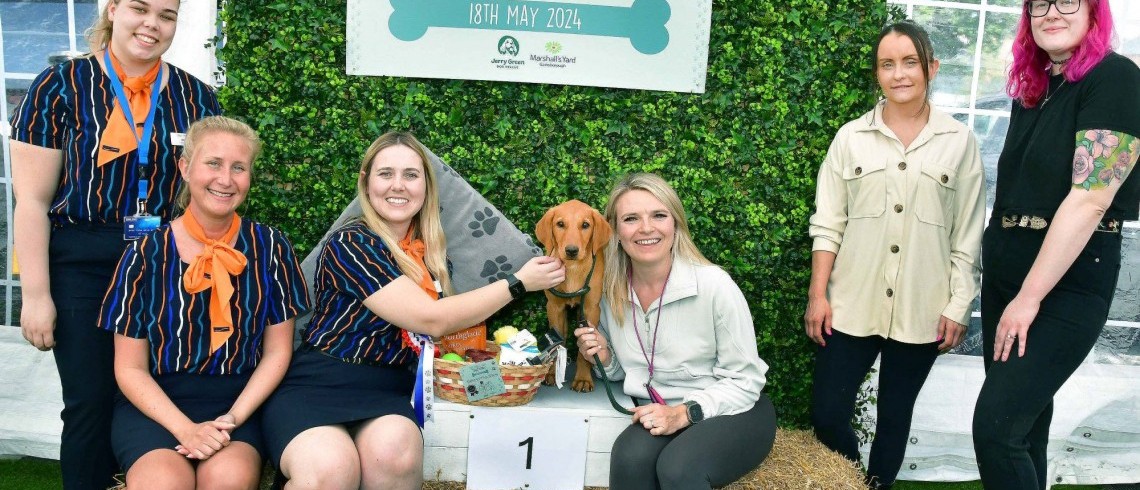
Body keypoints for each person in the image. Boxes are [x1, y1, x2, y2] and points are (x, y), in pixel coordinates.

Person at [261, 131, 565, 490]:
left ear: (426, 186)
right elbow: (430, 319)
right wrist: (518, 283)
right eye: (385, 173)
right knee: (331, 469)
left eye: (410, 175)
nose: (398, 185)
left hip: (388, 387)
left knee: (397, 454)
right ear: (366, 182)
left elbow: (447, 329)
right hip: (318, 384)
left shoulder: (427, 251)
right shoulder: (352, 242)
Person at [8, 0, 220, 487]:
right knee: (89, 401)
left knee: (162, 394)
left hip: (167, 263)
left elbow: (208, 196)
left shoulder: (198, 99)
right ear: (112, 10)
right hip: (82, 260)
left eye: (166, 15)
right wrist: (35, 297)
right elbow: (32, 201)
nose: (152, 24)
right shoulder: (58, 86)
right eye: (140, 9)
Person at [804, 21, 986, 490]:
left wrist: (957, 304)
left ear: (931, 68)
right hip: (850, 303)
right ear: (877, 74)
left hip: (922, 308)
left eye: (910, 62)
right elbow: (828, 223)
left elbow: (967, 233)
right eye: (888, 64)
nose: (899, 74)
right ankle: (852, 483)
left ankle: (878, 485)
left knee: (894, 417)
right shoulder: (850, 138)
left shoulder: (959, 142)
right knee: (827, 412)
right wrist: (817, 295)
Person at [972, 1, 1140, 488]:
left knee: (996, 429)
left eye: (1067, 1)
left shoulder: (1116, 78)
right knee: (1026, 428)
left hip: (1067, 281)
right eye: (1038, 3)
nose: (1051, 12)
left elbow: (1090, 200)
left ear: (1094, 12)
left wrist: (1028, 298)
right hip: (1008, 272)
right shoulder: (1035, 90)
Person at [98, 116, 308, 488]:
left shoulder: (272, 247)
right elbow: (129, 369)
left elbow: (278, 353)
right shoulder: (145, 253)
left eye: (238, 167)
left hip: (239, 404)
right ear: (185, 166)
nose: (225, 179)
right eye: (213, 163)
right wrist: (186, 429)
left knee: (228, 480)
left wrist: (231, 419)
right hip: (157, 406)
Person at [574, 172, 776, 490]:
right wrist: (604, 355)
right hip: (660, 407)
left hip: (735, 409)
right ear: (614, 231)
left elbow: (746, 381)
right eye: (631, 218)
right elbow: (620, 373)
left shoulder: (714, 286)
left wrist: (685, 413)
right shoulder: (609, 292)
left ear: (675, 223)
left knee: (679, 468)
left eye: (658, 215)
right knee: (628, 456)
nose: (646, 228)